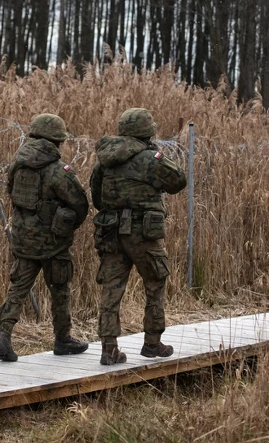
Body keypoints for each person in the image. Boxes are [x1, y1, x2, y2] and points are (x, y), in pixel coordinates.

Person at [90, 108, 187, 365]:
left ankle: (108, 348)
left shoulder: (106, 158)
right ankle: (152, 343)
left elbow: (96, 195)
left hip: (111, 231)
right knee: (155, 283)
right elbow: (178, 180)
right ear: (147, 130)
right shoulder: (149, 158)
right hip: (143, 233)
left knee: (111, 289)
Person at [0, 113, 90, 362]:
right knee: (60, 290)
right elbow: (80, 204)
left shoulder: (18, 164)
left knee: (18, 288)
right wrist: (66, 225)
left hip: (24, 239)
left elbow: (11, 192)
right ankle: (63, 339)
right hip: (53, 243)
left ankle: (3, 335)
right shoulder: (58, 171)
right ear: (57, 140)